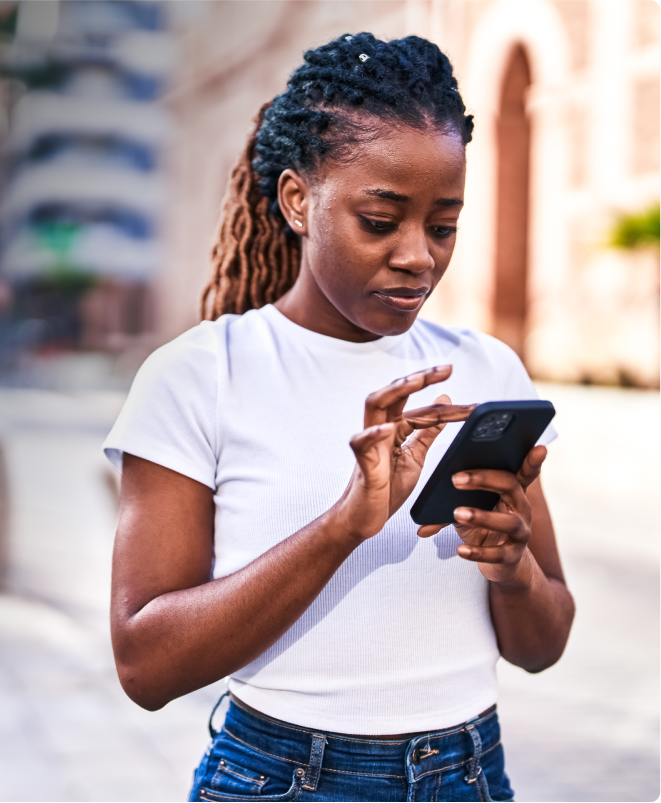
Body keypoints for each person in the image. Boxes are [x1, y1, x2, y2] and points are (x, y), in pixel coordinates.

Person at [103, 32, 574, 802]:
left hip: (467, 774)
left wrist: (511, 566)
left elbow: (543, 646)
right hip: (279, 778)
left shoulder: (487, 371)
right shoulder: (200, 375)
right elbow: (144, 666)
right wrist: (342, 525)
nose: (419, 256)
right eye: (381, 220)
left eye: (443, 224)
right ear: (297, 200)